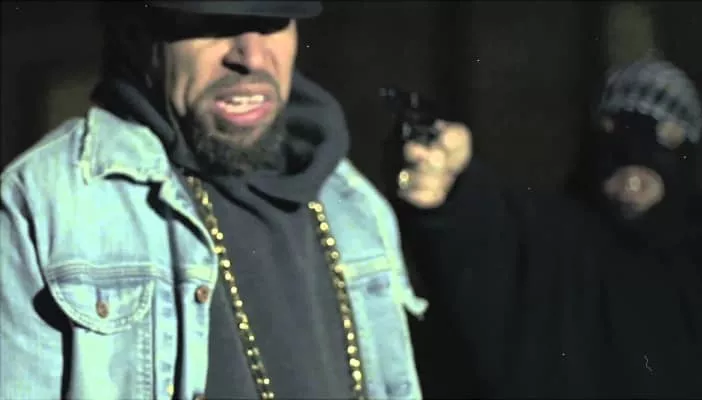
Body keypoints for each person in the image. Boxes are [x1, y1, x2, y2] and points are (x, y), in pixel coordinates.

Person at [0, 2, 431, 399]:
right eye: (215, 25)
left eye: (272, 24)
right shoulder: (48, 200)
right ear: (139, 36)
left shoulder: (352, 203)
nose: (251, 57)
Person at [395, 58, 702, 398]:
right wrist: (453, 189)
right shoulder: (553, 242)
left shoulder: (698, 264)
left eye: (668, 136)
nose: (635, 157)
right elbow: (487, 234)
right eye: (614, 129)